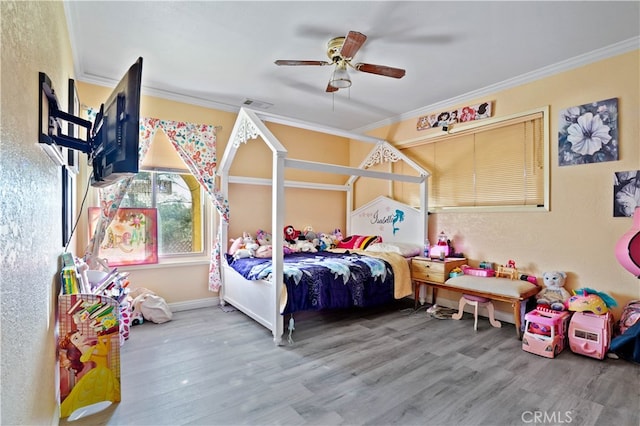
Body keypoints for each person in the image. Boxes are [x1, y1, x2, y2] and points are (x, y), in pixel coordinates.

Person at [59, 330, 120, 418]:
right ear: (73, 344)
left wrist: (105, 338)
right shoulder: (86, 348)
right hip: (101, 372)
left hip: (101, 371)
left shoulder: (86, 347)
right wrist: (102, 338)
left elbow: (105, 351)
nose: (81, 338)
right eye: (76, 339)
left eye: (81, 335)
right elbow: (104, 352)